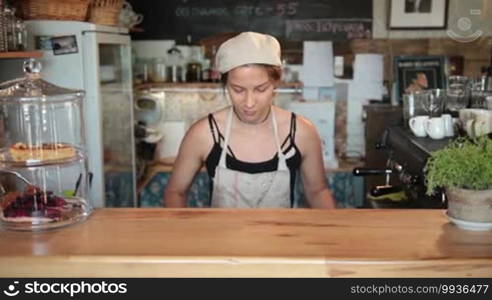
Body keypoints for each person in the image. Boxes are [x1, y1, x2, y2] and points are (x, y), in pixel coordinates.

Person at [164, 32, 335, 209]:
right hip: (222, 236)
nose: (249, 102)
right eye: (238, 90)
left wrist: (332, 231)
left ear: (276, 83)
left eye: (261, 89)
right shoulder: (204, 133)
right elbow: (175, 192)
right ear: (225, 84)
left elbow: (317, 191)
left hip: (280, 235)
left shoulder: (301, 132)